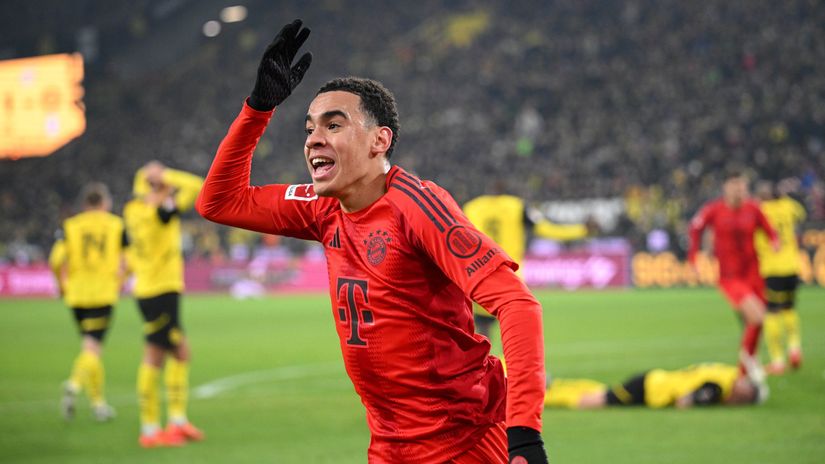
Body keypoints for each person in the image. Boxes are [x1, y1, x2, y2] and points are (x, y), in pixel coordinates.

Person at [196, 20, 548, 464]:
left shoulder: (417, 207)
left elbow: (517, 304)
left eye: (333, 125)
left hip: (462, 443)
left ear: (379, 140)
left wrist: (524, 434)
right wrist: (258, 109)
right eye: (309, 129)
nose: (314, 139)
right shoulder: (322, 207)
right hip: (388, 444)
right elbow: (219, 201)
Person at [124, 161, 204, 448]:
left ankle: (177, 421)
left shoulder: (133, 210)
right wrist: (167, 175)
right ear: (152, 187)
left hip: (151, 289)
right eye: (161, 185)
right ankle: (150, 430)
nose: (168, 188)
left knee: (181, 352)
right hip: (160, 290)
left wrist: (159, 184)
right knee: (155, 357)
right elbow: (196, 186)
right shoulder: (159, 213)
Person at [463, 186, 597, 341]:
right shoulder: (517, 206)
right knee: (516, 323)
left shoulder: (471, 207)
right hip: (509, 273)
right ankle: (518, 355)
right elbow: (545, 229)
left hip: (478, 272)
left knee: (482, 327)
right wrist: (581, 230)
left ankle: (482, 356)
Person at [688, 170, 778, 377]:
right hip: (730, 277)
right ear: (726, 188)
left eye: (742, 185)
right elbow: (695, 228)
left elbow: (769, 229)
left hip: (754, 274)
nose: (739, 189)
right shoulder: (714, 210)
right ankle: (747, 364)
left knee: (755, 321)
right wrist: (694, 257)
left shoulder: (753, 208)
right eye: (735, 185)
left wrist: (774, 241)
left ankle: (746, 368)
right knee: (757, 317)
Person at [48, 182, 126, 422]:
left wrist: (62, 286)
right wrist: (120, 281)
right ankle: (73, 384)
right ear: (104, 202)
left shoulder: (70, 225)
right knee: (93, 349)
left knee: (90, 349)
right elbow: (130, 261)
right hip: (102, 294)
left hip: (76, 295)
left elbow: (55, 260)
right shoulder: (116, 225)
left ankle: (98, 404)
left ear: (85, 204)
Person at [544, 363, 767, 409]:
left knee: (603, 392)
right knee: (594, 402)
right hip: (650, 389)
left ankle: (555, 385)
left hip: (652, 381)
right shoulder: (717, 388)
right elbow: (684, 402)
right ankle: (544, 397)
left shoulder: (728, 372)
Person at [754, 180, 807, 375]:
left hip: (772, 269)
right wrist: (784, 197)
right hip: (792, 267)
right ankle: (795, 348)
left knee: (772, 312)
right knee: (789, 308)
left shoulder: (760, 211)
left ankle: (777, 360)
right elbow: (801, 213)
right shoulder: (788, 206)